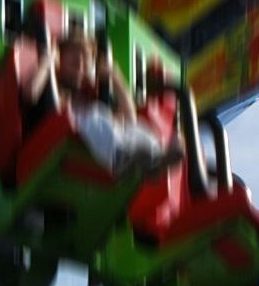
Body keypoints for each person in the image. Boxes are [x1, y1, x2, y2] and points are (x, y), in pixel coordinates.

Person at [20, 28, 170, 176]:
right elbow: (29, 94)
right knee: (95, 114)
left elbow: (130, 116)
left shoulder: (89, 93)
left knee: (130, 125)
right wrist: (47, 63)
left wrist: (115, 78)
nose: (80, 62)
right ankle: (119, 156)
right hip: (56, 142)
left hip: (89, 147)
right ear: (59, 57)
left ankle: (155, 154)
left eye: (86, 58)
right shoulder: (51, 85)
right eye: (74, 55)